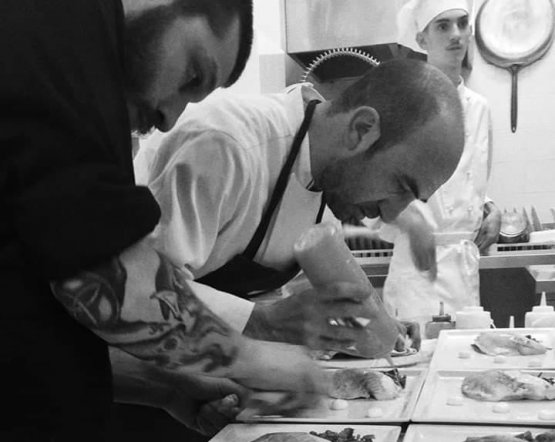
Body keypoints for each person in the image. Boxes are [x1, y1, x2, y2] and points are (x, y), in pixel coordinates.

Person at [1, 0, 329, 440]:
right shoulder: (59, 26)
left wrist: (161, 388)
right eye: (192, 75)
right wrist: (253, 358)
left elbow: (33, 302)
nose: (169, 117)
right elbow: (106, 280)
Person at [134, 58, 465, 355]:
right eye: (401, 186)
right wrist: (264, 322)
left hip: (209, 368)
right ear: (362, 130)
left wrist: (363, 332)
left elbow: (275, 304)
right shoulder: (227, 145)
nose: (391, 214)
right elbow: (144, 293)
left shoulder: (327, 177)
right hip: (142, 383)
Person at [378, 0, 502, 329]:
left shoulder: (480, 108)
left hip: (464, 272)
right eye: (443, 26)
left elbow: (471, 176)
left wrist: (489, 205)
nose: (456, 34)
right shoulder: (402, 107)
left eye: (462, 23)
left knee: (463, 365)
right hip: (418, 274)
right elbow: (377, 189)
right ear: (422, 40)